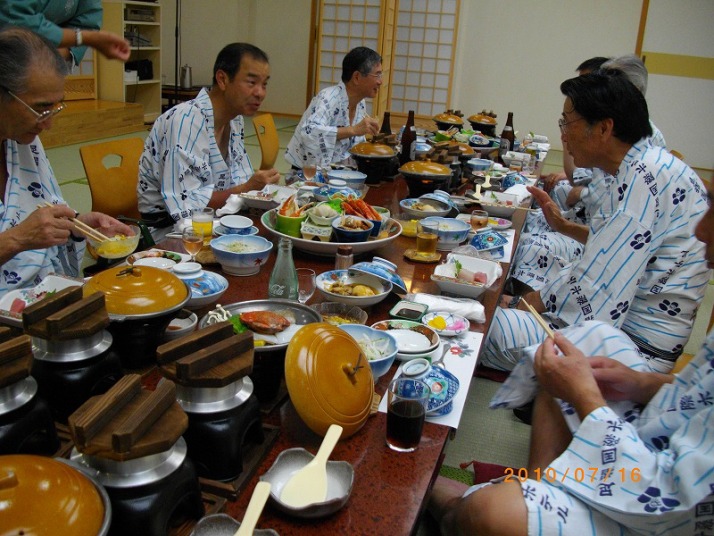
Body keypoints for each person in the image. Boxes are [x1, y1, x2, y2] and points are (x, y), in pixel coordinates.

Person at [428, 177, 714, 534]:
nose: (700, 230)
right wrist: (642, 383)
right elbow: (699, 391)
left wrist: (585, 396)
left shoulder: (643, 180)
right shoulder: (630, 172)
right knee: (579, 345)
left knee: (490, 512)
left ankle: (460, 510)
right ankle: (539, 488)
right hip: (666, 430)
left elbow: (678, 499)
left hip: (668, 511)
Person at [482, 70, 709, 374]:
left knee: (479, 323)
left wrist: (518, 303)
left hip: (631, 351)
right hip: (630, 332)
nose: (563, 134)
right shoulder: (646, 165)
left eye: (567, 122)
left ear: (604, 128)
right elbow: (604, 257)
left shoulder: (643, 179)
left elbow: (596, 289)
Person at [0, 27, 132, 295]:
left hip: (43, 295)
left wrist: (78, 225)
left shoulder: (23, 142)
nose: (48, 123)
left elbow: (42, 214)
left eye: (55, 107)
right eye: (40, 108)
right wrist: (17, 239)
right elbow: (25, 231)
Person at [137, 42, 280, 230]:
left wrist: (253, 187)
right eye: (252, 82)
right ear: (222, 79)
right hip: (169, 230)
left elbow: (240, 181)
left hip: (218, 217)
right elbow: (186, 206)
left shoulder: (235, 120)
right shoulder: (185, 121)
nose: (260, 93)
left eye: (264, 84)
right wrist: (246, 188)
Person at [284, 46, 381, 169]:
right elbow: (310, 132)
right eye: (377, 75)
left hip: (338, 169)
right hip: (307, 173)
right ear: (357, 77)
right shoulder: (328, 98)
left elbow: (353, 146)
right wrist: (353, 130)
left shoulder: (360, 102)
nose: (380, 82)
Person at [0, 1, 131, 66]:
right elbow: (17, 18)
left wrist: (51, 59)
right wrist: (86, 38)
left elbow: (88, 20)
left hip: (48, 61)